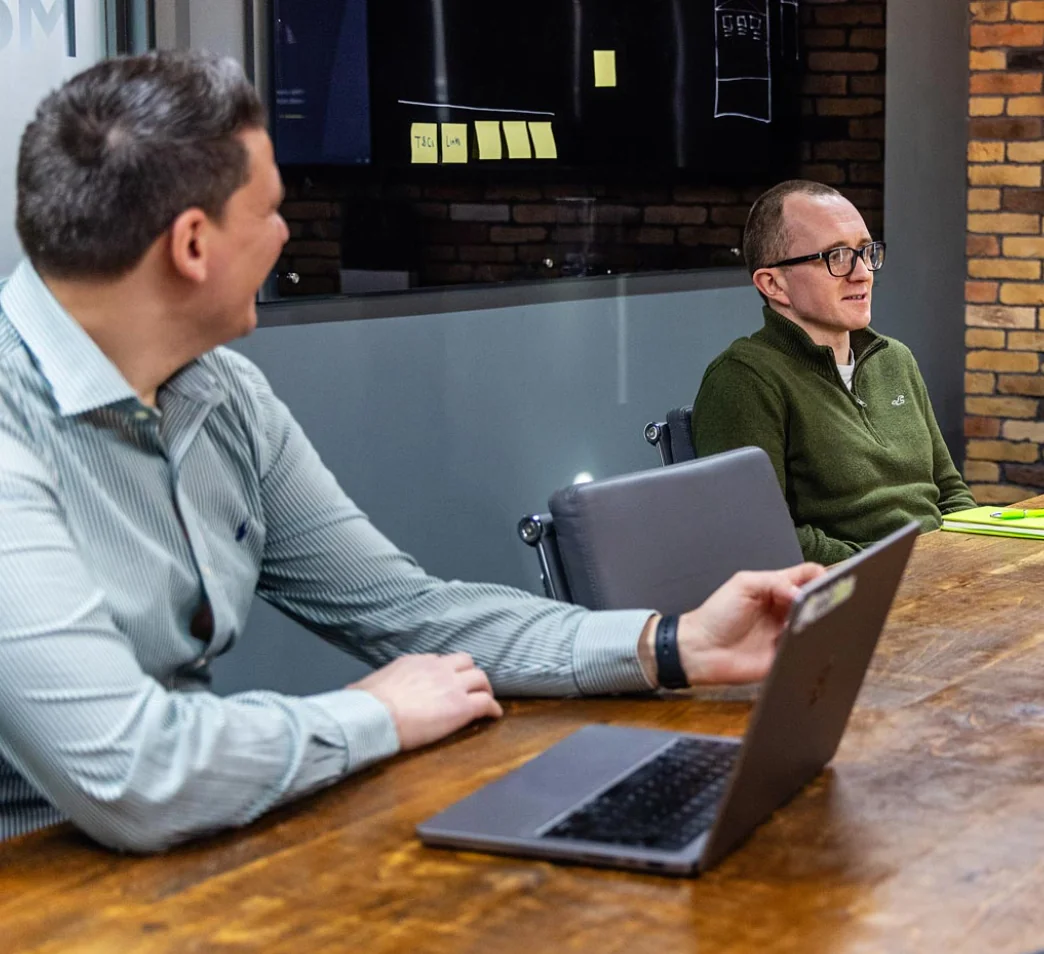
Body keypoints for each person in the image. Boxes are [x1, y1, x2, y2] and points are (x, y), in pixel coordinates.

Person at [0, 52, 822, 853]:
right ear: (191, 245)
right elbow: (133, 772)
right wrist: (374, 716)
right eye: (271, 212)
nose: (288, 236)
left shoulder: (225, 397)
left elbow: (407, 611)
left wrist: (670, 643)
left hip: (187, 854)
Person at [691, 180, 975, 565]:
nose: (862, 273)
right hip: (850, 600)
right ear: (773, 283)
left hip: (939, 579)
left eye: (865, 251)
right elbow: (760, 540)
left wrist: (971, 560)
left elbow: (950, 493)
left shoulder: (895, 359)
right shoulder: (744, 379)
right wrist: (885, 568)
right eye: (836, 256)